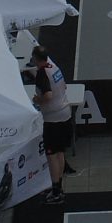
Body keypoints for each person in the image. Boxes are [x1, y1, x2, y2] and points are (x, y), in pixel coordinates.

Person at [32, 46, 75, 203]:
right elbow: (63, 86)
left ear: (36, 59)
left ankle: (56, 190)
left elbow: (48, 95)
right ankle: (59, 186)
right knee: (60, 152)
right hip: (66, 114)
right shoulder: (54, 67)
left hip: (53, 119)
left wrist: (38, 99)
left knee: (51, 155)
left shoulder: (42, 73)